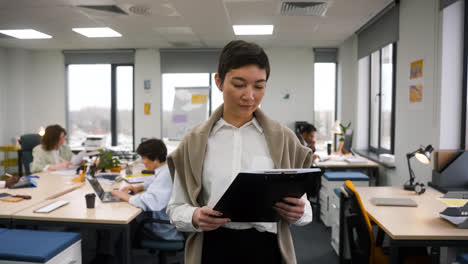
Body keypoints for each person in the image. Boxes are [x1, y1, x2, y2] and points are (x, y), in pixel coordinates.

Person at [167, 40, 313, 264]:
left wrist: (300, 213)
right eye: (239, 84)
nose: (249, 96)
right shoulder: (193, 142)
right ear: (219, 81)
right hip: (213, 247)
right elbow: (176, 208)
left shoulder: (284, 139)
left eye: (259, 86)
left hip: (266, 249)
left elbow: (303, 206)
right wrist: (194, 216)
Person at [111, 138, 183, 241]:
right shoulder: (165, 169)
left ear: (156, 159)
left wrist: (123, 195)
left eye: (144, 158)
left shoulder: (165, 175)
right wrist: (138, 188)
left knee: (121, 223)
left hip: (161, 230)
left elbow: (149, 201)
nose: (142, 161)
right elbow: (154, 181)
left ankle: (113, 254)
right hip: (163, 221)